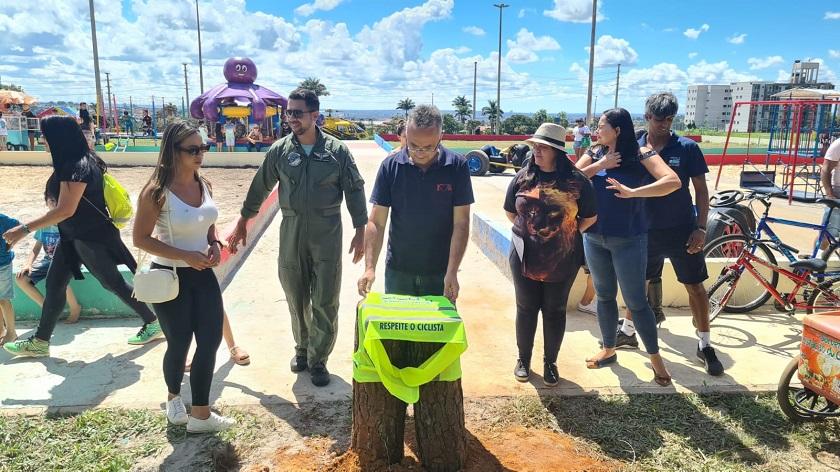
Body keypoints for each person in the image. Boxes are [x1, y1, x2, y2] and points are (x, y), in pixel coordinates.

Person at [228, 88, 367, 387]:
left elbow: (354, 189)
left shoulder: (336, 152)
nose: (291, 118)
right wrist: (243, 221)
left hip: (327, 231)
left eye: (297, 113)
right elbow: (260, 186)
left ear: (315, 115)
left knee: (325, 299)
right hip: (291, 230)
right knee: (296, 294)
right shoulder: (280, 150)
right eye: (288, 112)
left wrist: (360, 229)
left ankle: (319, 360)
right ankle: (302, 349)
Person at [2, 115, 162, 358]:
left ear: (58, 139)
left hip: (89, 238)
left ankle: (152, 320)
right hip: (72, 237)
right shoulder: (77, 163)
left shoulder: (77, 167)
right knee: (55, 285)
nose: (43, 141)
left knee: (113, 283)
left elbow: (66, 210)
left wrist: (23, 230)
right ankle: (41, 341)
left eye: (46, 137)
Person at [612, 93, 723, 376]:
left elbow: (701, 191)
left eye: (670, 119)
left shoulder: (686, 148)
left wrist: (700, 228)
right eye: (660, 118)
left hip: (681, 230)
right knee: (639, 283)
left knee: (695, 287)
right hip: (643, 229)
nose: (665, 124)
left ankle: (705, 344)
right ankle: (627, 331)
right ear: (647, 116)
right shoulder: (633, 146)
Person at [133, 121, 233, 432]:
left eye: (203, 147)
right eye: (193, 149)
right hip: (171, 276)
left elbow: (208, 224)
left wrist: (214, 243)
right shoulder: (156, 191)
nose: (200, 153)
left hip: (202, 275)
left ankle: (201, 414)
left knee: (210, 339)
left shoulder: (205, 184)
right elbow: (140, 238)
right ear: (173, 151)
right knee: (179, 343)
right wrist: (185, 255)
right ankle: (174, 397)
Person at [574, 108, 680, 386]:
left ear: (618, 130)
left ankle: (656, 360)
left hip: (629, 239)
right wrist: (600, 165)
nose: (597, 130)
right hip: (594, 237)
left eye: (601, 125)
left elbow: (672, 181)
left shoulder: (642, 153)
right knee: (605, 297)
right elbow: (570, 180)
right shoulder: (595, 152)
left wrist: (634, 193)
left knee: (637, 302)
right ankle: (609, 349)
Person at [502, 123, 597, 385]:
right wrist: (530, 233)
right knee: (526, 308)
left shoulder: (577, 182)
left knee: (554, 310)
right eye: (535, 146)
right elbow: (511, 211)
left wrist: (562, 232)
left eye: (543, 147)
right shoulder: (523, 176)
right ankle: (523, 359)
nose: (537, 151)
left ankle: (550, 363)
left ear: (557, 151)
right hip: (524, 256)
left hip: (562, 257)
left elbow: (589, 218)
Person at [358, 104, 473, 301]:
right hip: (398, 272)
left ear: (440, 137)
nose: (419, 152)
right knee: (398, 329)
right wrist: (369, 267)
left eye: (428, 147)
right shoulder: (390, 167)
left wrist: (452, 271)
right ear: (405, 135)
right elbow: (377, 222)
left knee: (437, 330)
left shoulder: (457, 166)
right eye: (413, 145)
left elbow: (461, 223)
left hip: (440, 272)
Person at [15, 190, 83, 324]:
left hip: (66, 261)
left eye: (58, 201)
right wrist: (27, 264)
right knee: (21, 279)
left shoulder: (69, 222)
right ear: (46, 202)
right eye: (51, 201)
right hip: (48, 261)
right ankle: (48, 309)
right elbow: (36, 248)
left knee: (59, 277)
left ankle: (75, 308)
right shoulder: (44, 223)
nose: (54, 204)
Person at [0, 213, 20, 344]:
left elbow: (19, 226)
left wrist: (10, 244)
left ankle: (11, 332)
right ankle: (1, 330)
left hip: (2, 265)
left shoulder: (2, 219)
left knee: (3, 299)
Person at [819, 137, 840, 241]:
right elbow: (826, 169)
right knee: (827, 235)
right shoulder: (838, 144)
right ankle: (817, 256)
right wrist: (829, 193)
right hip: (838, 192)